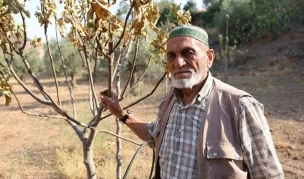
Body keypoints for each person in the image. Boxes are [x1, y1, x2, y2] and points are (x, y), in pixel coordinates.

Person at [100, 24, 284, 179]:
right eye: (171, 56)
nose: (178, 63)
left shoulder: (240, 106)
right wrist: (120, 113)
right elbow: (154, 136)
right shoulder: (169, 101)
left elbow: (268, 174)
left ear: (209, 57)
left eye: (188, 53)